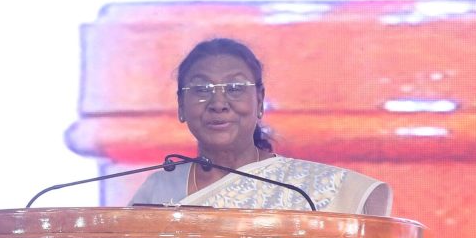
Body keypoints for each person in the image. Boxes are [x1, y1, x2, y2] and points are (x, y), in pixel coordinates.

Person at [130, 38, 392, 216]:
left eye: (235, 88)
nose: (218, 103)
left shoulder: (304, 185)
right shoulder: (159, 187)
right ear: (181, 106)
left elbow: (369, 200)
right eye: (201, 89)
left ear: (259, 100)